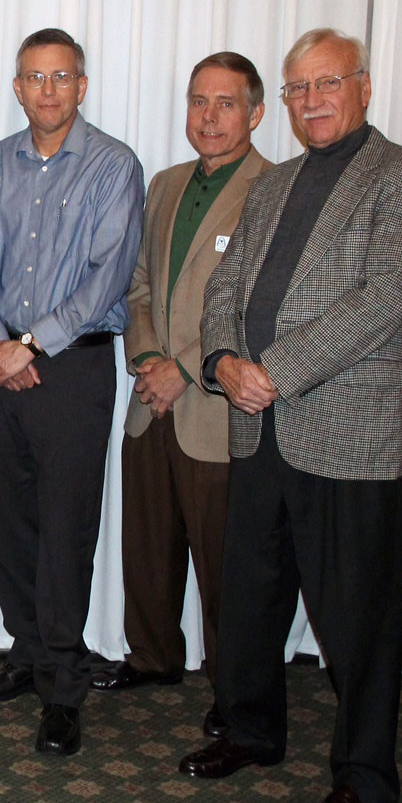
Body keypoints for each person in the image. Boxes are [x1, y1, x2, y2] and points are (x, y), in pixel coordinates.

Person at [178, 28, 402, 803]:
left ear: (362, 86)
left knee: (358, 622)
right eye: (297, 88)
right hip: (258, 431)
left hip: (347, 437)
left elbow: (380, 301)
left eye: (326, 83)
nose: (311, 100)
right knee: (251, 601)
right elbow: (226, 283)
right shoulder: (275, 182)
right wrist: (223, 360)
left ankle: (367, 779)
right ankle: (253, 732)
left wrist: (274, 371)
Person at [0, 28, 145, 757]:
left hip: (71, 367)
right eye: (33, 78)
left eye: (61, 77)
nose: (47, 91)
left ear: (82, 86)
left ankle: (63, 689)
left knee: (65, 529)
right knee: (10, 522)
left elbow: (108, 272)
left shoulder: (113, 165)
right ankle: (28, 652)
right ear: (17, 88)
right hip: (2, 361)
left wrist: (31, 344)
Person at [91, 53, 271, 740]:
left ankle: (236, 688)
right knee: (148, 544)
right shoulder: (165, 184)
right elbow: (136, 285)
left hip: (216, 409)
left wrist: (186, 368)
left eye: (226, 103)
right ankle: (154, 657)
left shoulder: (272, 189)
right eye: (199, 101)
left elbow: (261, 309)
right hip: (151, 399)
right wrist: (147, 358)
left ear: (256, 113)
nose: (209, 116)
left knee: (225, 561)